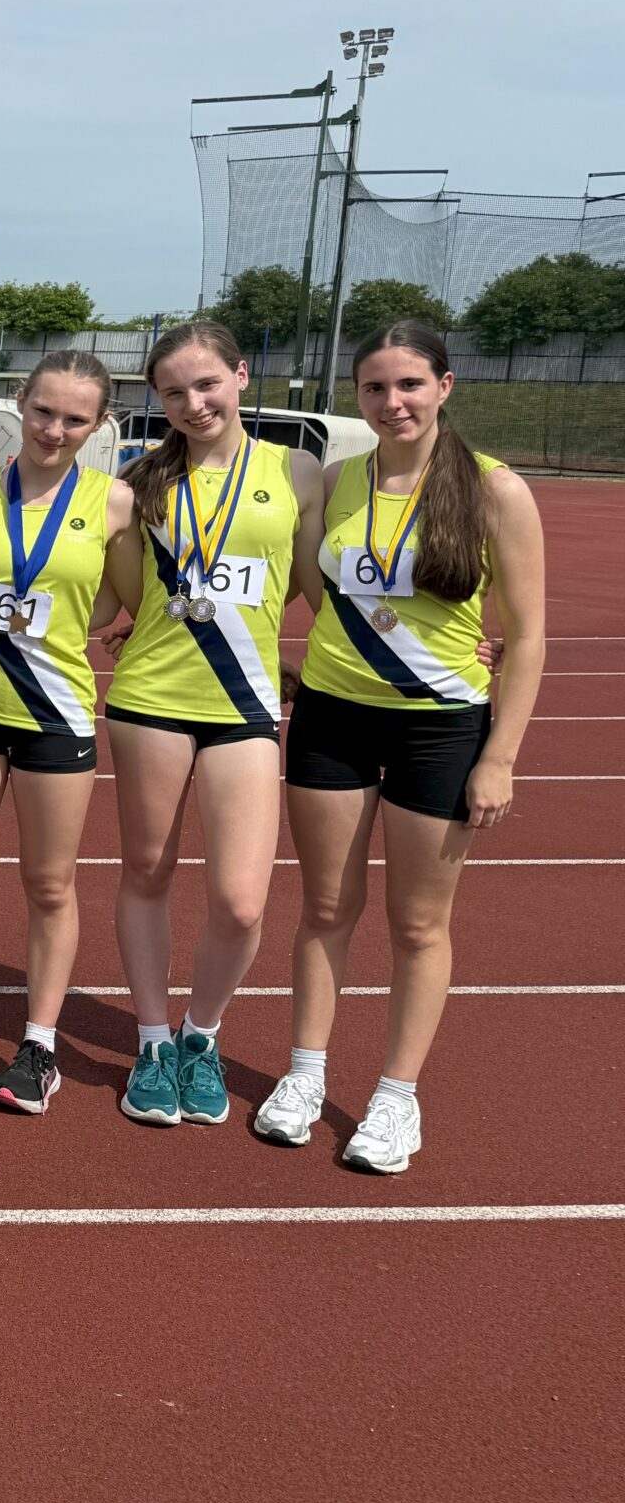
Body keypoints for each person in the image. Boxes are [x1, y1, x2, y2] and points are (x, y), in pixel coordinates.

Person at [263, 320, 544, 1173]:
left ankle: (396, 1097)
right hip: (332, 719)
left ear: (445, 387)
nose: (393, 402)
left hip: (441, 728)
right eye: (376, 388)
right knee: (324, 909)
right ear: (358, 395)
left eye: (411, 384)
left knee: (418, 924)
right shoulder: (339, 480)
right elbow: (313, 591)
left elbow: (529, 637)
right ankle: (305, 1074)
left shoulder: (495, 490)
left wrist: (499, 757)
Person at [105, 322, 325, 1125]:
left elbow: (313, 585)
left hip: (243, 704)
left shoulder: (296, 471)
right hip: (151, 698)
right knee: (148, 872)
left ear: (240, 375)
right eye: (173, 393)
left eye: (206, 385)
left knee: (239, 902)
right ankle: (153, 1043)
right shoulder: (139, 481)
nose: (193, 404)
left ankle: (202, 1034)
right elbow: (122, 593)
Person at [0, 351, 132, 1113]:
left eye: (75, 418)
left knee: (49, 885)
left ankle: (39, 1046)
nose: (54, 429)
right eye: (43, 410)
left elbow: (131, 603)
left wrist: (75, 628)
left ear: (99, 424)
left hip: (58, 713)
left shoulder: (114, 503)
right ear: (20, 401)